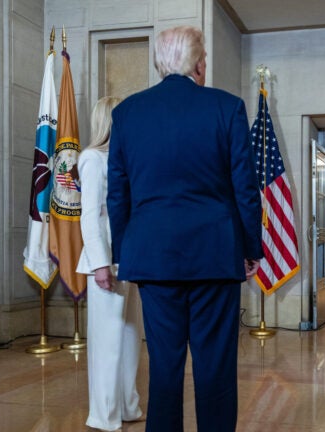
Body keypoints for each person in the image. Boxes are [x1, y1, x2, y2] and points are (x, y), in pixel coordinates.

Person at [107, 25, 263, 432]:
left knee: (164, 368)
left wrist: (123, 253)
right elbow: (245, 189)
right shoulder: (227, 107)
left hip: (153, 259)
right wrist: (251, 249)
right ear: (198, 65)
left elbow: (117, 194)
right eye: (204, 59)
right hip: (216, 255)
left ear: (161, 64)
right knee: (215, 367)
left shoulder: (127, 114)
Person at [76, 96, 145, 432]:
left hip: (128, 256)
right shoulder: (91, 158)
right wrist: (100, 263)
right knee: (106, 342)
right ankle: (104, 415)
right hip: (104, 259)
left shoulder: (124, 159)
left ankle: (128, 406)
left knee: (130, 337)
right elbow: (89, 216)